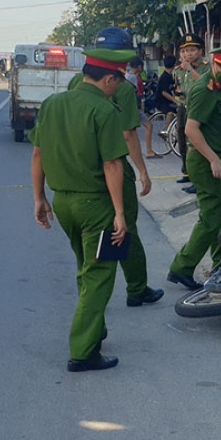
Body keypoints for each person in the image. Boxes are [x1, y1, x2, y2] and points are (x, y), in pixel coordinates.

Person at [31, 48, 131, 373]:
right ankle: (82, 351)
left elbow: (37, 155)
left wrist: (39, 198)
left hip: (63, 204)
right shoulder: (103, 110)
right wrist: (120, 213)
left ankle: (95, 329)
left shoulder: (52, 104)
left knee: (85, 267)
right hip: (95, 206)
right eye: (118, 80)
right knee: (100, 274)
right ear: (108, 78)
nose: (118, 87)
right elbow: (112, 163)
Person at [66, 28, 164, 310]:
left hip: (83, 169)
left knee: (89, 235)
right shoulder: (121, 84)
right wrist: (143, 171)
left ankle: (88, 290)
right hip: (114, 166)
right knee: (126, 227)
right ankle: (136, 288)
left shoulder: (78, 81)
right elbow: (128, 134)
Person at [166, 47, 221, 290]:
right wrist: (213, 159)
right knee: (211, 219)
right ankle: (182, 267)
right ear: (212, 64)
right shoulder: (204, 90)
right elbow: (191, 130)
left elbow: (213, 127)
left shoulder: (216, 89)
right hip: (202, 161)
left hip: (214, 156)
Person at [175, 33, 206, 194]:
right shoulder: (179, 70)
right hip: (183, 106)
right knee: (181, 138)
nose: (188, 53)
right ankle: (187, 171)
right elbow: (178, 88)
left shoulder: (205, 65)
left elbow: (206, 84)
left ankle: (198, 178)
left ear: (200, 51)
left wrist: (191, 69)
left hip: (198, 108)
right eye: (185, 51)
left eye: (192, 50)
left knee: (194, 142)